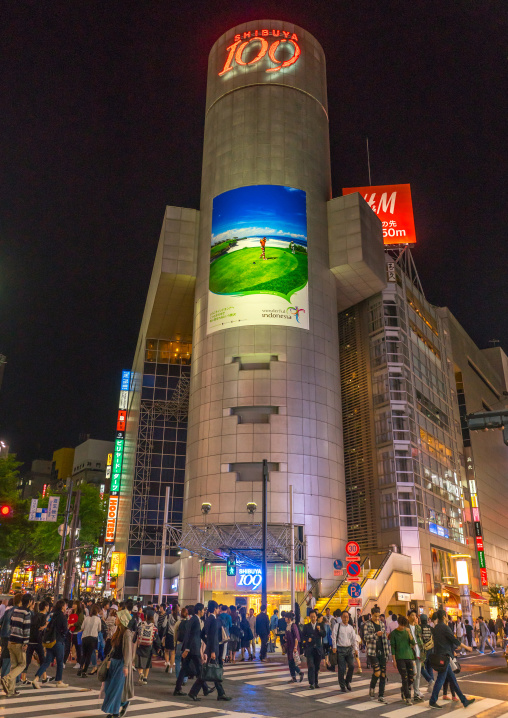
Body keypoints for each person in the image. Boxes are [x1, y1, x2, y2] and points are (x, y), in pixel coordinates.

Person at [185, 600, 232, 702]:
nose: (219, 610)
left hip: (210, 649)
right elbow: (214, 637)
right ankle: (195, 692)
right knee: (208, 672)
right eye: (217, 608)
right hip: (212, 651)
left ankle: (220, 693)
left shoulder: (208, 619)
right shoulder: (214, 620)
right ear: (215, 609)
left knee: (209, 671)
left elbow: (203, 634)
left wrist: (208, 644)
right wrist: (213, 650)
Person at [428, 608, 474, 709]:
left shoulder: (436, 628)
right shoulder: (445, 627)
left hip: (440, 656)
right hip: (445, 657)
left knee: (453, 679)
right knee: (441, 679)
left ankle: (463, 700)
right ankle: (432, 700)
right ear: (444, 616)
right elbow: (454, 640)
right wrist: (467, 647)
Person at [100, 609, 134, 718]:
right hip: (114, 663)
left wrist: (126, 666)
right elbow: (114, 649)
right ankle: (123, 704)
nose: (116, 619)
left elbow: (128, 651)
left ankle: (114, 713)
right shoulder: (118, 631)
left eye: (118, 617)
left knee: (115, 689)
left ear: (123, 620)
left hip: (121, 664)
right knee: (109, 688)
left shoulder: (127, 633)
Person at [32, 598, 68, 689]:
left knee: (47, 662)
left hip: (50, 641)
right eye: (65, 605)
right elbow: (65, 629)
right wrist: (63, 636)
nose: (66, 607)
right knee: (60, 662)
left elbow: (46, 625)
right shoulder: (63, 617)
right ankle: (59, 681)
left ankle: (36, 679)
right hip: (58, 641)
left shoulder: (51, 615)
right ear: (62, 607)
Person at [1, 593, 32, 697]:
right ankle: (7, 678)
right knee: (22, 664)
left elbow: (10, 625)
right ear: (30, 602)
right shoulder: (26, 613)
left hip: (11, 640)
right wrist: (25, 643)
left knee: (14, 665)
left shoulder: (14, 610)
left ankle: (10, 690)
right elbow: (26, 629)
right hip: (19, 641)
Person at [365, 606, 390, 703]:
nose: (377, 618)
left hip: (382, 651)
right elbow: (366, 637)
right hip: (372, 652)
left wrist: (387, 652)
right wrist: (376, 635)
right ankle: (372, 686)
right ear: (371, 615)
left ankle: (381, 695)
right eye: (375, 616)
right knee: (377, 672)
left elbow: (385, 640)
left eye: (378, 616)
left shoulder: (382, 624)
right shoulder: (368, 624)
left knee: (383, 674)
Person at [390, 615, 416, 705]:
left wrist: (409, 633)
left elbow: (413, 643)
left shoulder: (407, 631)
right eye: (402, 625)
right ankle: (408, 697)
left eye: (404, 625)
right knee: (404, 678)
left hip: (409, 656)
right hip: (399, 657)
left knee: (411, 678)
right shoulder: (393, 634)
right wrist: (394, 660)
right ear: (399, 623)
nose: (403, 627)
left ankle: (403, 689)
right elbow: (393, 648)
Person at [21, 600, 48, 684]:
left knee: (28, 659)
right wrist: (47, 625)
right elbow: (40, 628)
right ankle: (44, 677)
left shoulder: (33, 615)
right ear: (46, 607)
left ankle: (24, 678)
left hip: (30, 639)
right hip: (38, 640)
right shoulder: (43, 616)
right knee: (42, 658)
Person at [331, 609, 357, 692]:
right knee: (341, 668)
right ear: (341, 617)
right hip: (340, 649)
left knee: (352, 666)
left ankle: (347, 681)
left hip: (349, 649)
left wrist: (355, 649)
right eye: (344, 617)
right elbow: (334, 637)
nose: (346, 618)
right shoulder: (337, 626)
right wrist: (334, 647)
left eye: (347, 617)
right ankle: (342, 685)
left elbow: (353, 639)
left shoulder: (350, 628)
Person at [301, 610, 326, 689]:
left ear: (316, 617)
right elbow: (302, 636)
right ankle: (311, 683)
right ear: (309, 617)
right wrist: (307, 639)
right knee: (311, 665)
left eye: (314, 617)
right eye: (311, 617)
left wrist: (320, 630)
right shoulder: (306, 626)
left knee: (317, 666)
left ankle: (316, 682)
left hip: (318, 649)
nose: (313, 618)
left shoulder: (320, 625)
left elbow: (324, 634)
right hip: (310, 649)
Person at [136, 612, 160, 684]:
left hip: (140, 645)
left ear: (146, 617)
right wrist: (158, 647)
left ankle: (141, 674)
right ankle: (145, 678)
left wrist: (134, 640)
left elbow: (137, 633)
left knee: (140, 661)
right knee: (148, 662)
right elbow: (156, 638)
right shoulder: (154, 626)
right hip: (149, 646)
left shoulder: (141, 624)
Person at [407, 610, 426, 700]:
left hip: (418, 653)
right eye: (412, 615)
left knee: (418, 674)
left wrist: (422, 653)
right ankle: (408, 691)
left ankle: (416, 692)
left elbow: (421, 640)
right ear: (408, 617)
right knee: (413, 674)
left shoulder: (418, 627)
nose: (414, 617)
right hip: (411, 654)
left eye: (415, 615)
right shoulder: (406, 628)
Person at [78, 604, 102, 677]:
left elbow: (82, 627)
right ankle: (84, 672)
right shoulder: (98, 619)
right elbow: (99, 629)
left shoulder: (87, 618)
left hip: (84, 637)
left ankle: (80, 669)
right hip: (93, 638)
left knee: (84, 655)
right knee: (88, 656)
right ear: (97, 611)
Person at [285, 612, 304, 683]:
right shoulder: (288, 626)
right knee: (290, 662)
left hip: (293, 647)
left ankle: (299, 673)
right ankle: (294, 677)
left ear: (289, 618)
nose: (285, 618)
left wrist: (295, 647)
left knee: (292, 662)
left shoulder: (293, 626)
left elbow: (296, 638)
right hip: (289, 647)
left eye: (286, 617)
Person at [0, 598, 15, 679]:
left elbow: (1, 621)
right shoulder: (16, 611)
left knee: (4, 655)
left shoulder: (7, 611)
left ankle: (5, 677)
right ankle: (5, 678)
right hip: (11, 637)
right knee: (8, 658)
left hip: (4, 636)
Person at [173, 607, 189, 683]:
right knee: (185, 661)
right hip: (187, 644)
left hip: (179, 643)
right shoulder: (189, 622)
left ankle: (179, 679)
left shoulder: (178, 622)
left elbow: (175, 634)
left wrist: (174, 643)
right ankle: (185, 679)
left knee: (177, 660)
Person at [165, 606, 179, 673]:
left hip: (168, 635)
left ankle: (167, 662)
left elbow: (164, 625)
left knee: (167, 651)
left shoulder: (169, 616)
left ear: (172, 610)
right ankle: (170, 668)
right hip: (175, 636)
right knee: (173, 652)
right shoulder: (178, 618)